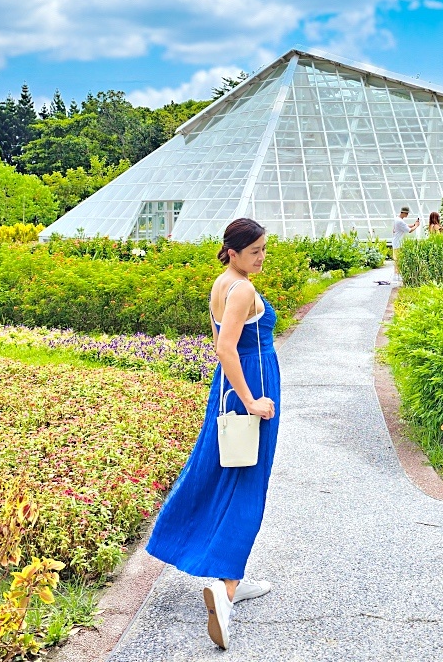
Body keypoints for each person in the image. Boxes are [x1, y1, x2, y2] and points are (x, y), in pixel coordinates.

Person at [145, 218, 280, 651]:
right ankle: (225, 594)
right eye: (255, 251)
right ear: (234, 252)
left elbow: (220, 341)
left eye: (263, 249)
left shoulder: (222, 283)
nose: (262, 257)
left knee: (219, 477)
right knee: (247, 487)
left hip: (225, 393)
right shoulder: (242, 289)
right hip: (248, 390)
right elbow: (226, 349)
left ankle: (229, 574)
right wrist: (253, 401)